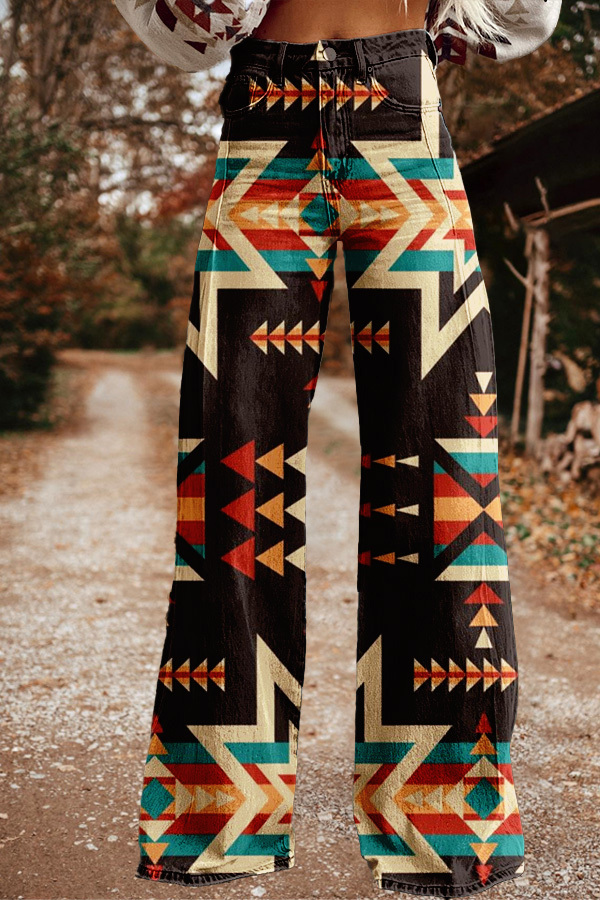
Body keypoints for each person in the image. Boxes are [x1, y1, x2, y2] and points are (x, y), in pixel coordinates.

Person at [115, 0, 561, 895]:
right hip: (262, 124)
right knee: (230, 474)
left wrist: (447, 32)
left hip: (402, 109)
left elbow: (530, 10)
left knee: (443, 471)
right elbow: (166, 22)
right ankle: (217, 814)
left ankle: (446, 819)